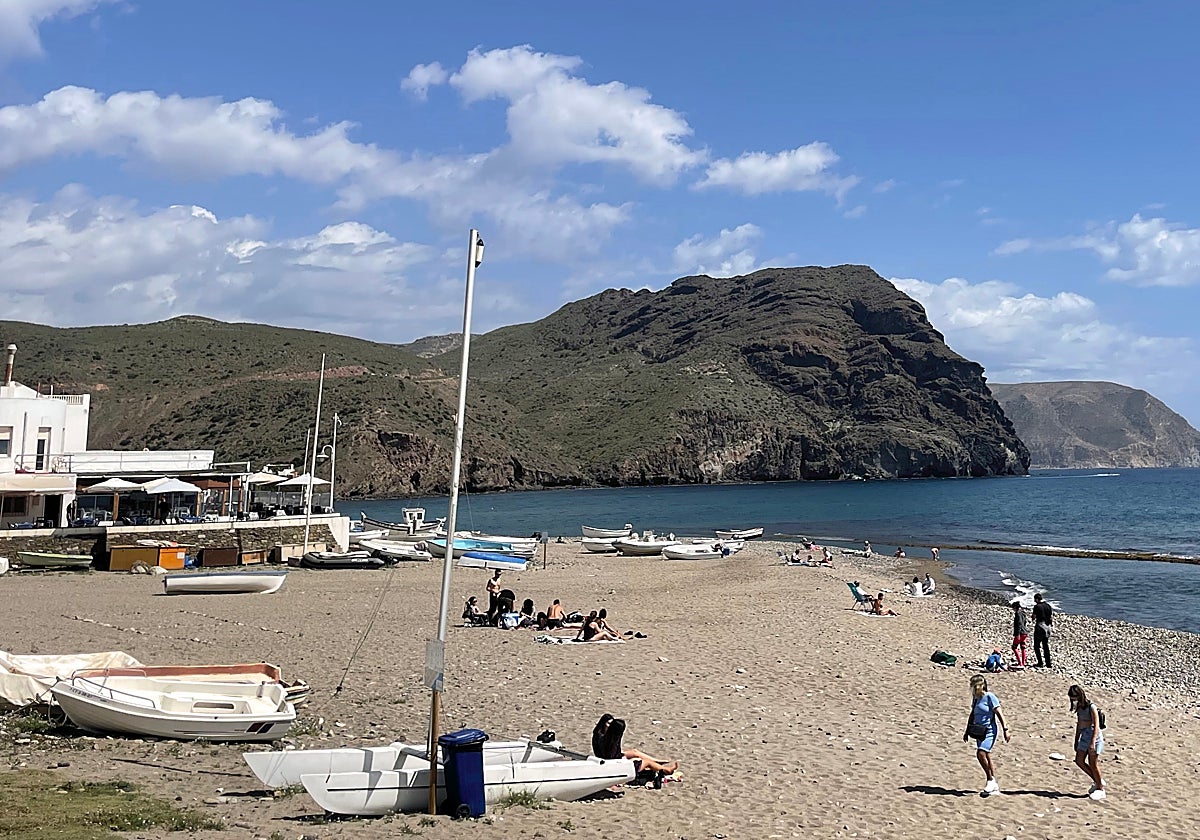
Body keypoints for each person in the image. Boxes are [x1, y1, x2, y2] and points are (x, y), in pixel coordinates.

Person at [592, 715, 678, 782]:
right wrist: (630, 761)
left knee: (634, 752)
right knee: (646, 762)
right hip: (615, 765)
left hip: (609, 759)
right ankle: (667, 770)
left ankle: (657, 762)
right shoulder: (610, 741)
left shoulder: (601, 737)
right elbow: (613, 759)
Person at [964, 674, 1010, 796]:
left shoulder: (990, 697)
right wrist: (967, 730)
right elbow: (972, 714)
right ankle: (994, 784)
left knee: (981, 753)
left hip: (990, 730)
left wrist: (1006, 729)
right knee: (987, 756)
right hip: (979, 731)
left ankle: (990, 779)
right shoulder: (975, 698)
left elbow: (999, 713)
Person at [1068, 684, 1106, 800]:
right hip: (1084, 736)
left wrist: (1092, 743)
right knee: (1079, 760)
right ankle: (1097, 780)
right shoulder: (1079, 708)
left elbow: (1096, 726)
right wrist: (1076, 740)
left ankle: (1100, 788)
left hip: (1094, 737)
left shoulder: (1091, 707)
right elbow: (1079, 725)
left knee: (1093, 763)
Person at [1032, 593, 1053, 668]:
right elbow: (1050, 618)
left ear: (1036, 599)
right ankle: (1048, 663)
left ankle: (1040, 662)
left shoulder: (1037, 607)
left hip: (1040, 626)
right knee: (1045, 645)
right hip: (1047, 626)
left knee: (1036, 646)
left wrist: (1032, 618)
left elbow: (1033, 617)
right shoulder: (1048, 606)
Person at [1011, 601, 1029, 668]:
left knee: (1014, 647)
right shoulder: (1023, 613)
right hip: (1025, 632)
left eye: (1013, 608)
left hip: (1020, 633)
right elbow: (1024, 623)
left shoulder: (1017, 614)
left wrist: (1017, 634)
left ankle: (1020, 663)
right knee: (1023, 647)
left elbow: (1019, 624)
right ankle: (1023, 663)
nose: (1013, 609)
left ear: (1015, 607)